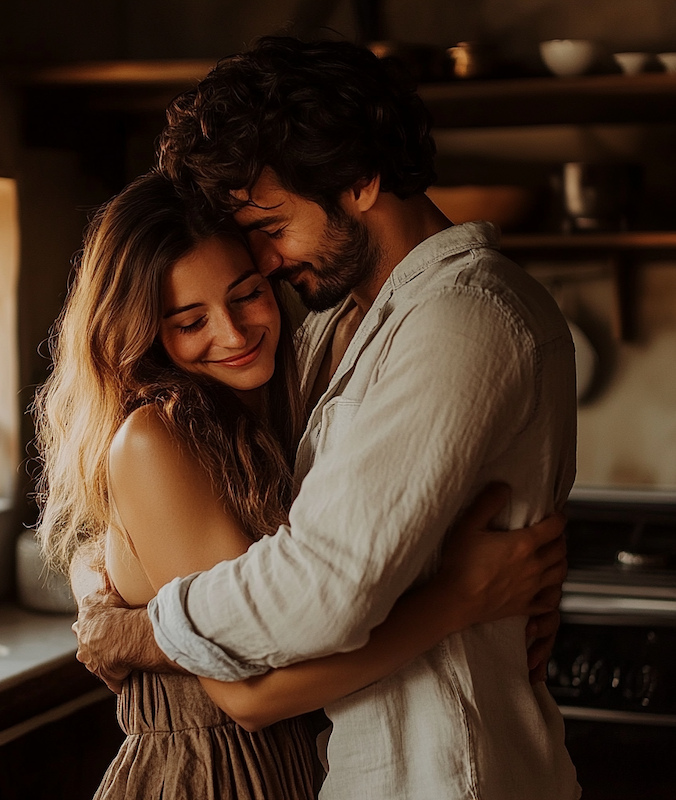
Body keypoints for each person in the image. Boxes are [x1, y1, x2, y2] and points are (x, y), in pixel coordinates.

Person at [37, 170, 568, 800]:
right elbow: (249, 696)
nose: (233, 334)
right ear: (143, 334)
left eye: (245, 295)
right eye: (189, 321)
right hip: (211, 779)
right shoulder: (159, 438)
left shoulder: (273, 406)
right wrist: (461, 599)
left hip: (289, 764)